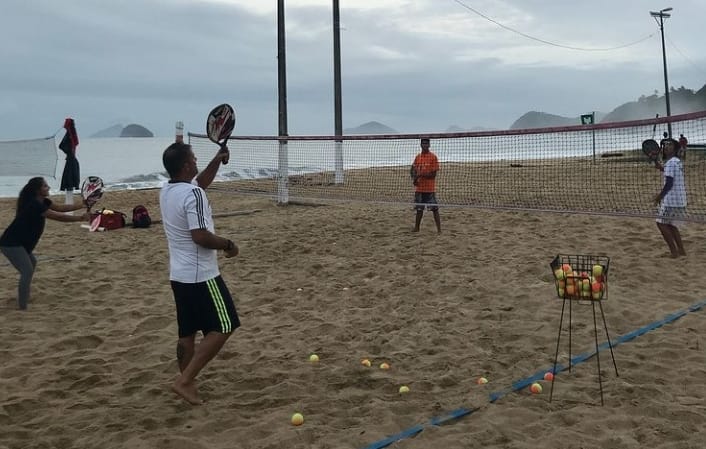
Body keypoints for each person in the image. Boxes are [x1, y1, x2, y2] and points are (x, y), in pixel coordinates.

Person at [160, 142, 240, 405]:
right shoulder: (193, 195)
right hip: (201, 275)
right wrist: (228, 244)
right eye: (194, 159)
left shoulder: (167, 190)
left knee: (187, 333)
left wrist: (217, 161)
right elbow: (201, 236)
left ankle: (188, 383)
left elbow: (197, 185)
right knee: (225, 325)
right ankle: (185, 380)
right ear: (186, 165)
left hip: (179, 276)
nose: (196, 162)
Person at [0, 177, 89, 310]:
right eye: (45, 186)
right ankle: (22, 306)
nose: (48, 188)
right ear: (38, 190)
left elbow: (60, 208)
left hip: (22, 244)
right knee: (27, 271)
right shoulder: (34, 205)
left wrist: (81, 205)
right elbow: (58, 217)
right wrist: (80, 218)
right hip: (11, 243)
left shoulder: (43, 201)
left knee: (32, 264)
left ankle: (24, 295)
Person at [654, 138, 687, 258]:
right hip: (680, 200)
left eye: (670, 144)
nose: (666, 146)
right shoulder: (677, 161)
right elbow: (670, 171)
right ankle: (681, 251)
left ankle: (674, 252)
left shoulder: (671, 163)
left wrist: (659, 196)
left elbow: (669, 183)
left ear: (675, 148)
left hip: (671, 201)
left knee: (661, 224)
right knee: (672, 225)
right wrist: (661, 168)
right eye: (665, 144)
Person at [411, 137, 441, 233]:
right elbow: (413, 169)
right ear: (421, 145)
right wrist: (415, 178)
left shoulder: (433, 157)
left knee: (434, 209)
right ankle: (416, 228)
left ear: (429, 145)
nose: (424, 145)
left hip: (429, 189)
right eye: (423, 143)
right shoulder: (418, 157)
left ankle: (439, 230)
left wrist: (421, 174)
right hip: (420, 188)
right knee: (419, 210)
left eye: (426, 143)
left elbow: (433, 175)